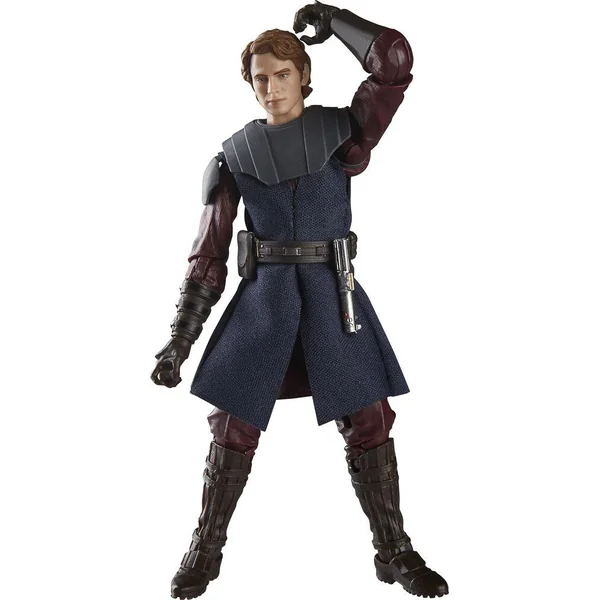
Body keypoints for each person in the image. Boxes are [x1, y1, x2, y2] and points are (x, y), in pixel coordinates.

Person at [151, 2, 448, 598]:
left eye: (282, 74)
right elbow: (207, 256)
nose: (271, 87)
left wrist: (335, 21)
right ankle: (205, 549)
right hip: (264, 302)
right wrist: (178, 342)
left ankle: (393, 549)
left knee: (369, 420)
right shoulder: (233, 157)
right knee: (232, 425)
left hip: (333, 297)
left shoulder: (342, 135)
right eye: (260, 77)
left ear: (303, 75)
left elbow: (394, 63)